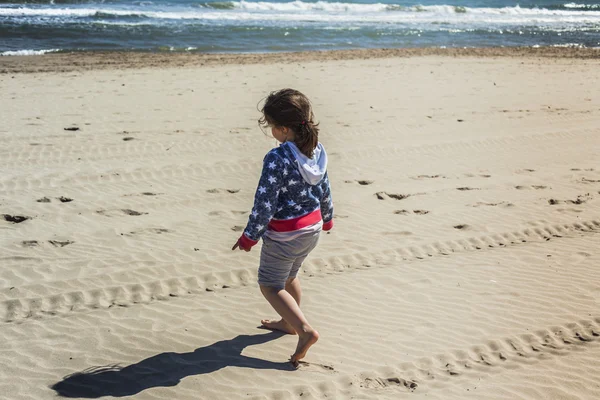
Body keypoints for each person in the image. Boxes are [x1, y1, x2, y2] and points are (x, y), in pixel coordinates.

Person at [232, 88, 334, 365]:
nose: (271, 132)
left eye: (272, 127)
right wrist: (328, 216)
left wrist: (249, 236)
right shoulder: (315, 150)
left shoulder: (277, 159)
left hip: (286, 234)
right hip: (311, 228)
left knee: (270, 283)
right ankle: (287, 323)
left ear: (285, 129)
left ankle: (304, 330)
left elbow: (264, 202)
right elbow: (324, 186)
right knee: (290, 276)